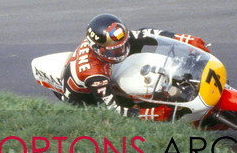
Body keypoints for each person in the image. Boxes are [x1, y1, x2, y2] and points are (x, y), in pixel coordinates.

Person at [61, 14, 209, 118]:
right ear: (97, 48)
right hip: (84, 97)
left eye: (123, 45)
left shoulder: (110, 41)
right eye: (115, 50)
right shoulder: (93, 74)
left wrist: (186, 39)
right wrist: (150, 114)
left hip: (108, 69)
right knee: (109, 121)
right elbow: (113, 110)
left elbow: (145, 33)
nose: (122, 50)